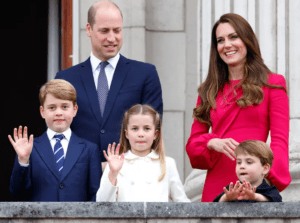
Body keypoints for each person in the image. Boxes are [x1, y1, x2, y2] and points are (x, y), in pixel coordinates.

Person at [186, 13, 291, 202]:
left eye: (233, 37)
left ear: (247, 40)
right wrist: (212, 141)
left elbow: (279, 141)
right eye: (220, 40)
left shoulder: (273, 84)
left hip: (255, 185)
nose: (227, 45)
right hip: (217, 188)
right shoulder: (208, 90)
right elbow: (194, 147)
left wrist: (266, 182)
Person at [55, 1, 163, 168]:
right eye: (104, 31)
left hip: (130, 178)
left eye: (117, 30)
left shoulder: (145, 74)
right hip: (79, 179)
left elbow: (152, 128)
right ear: (89, 30)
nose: (112, 38)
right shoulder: (66, 79)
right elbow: (58, 132)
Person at [8, 79, 102, 201]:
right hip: (40, 219)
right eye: (52, 107)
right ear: (42, 112)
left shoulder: (89, 149)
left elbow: (96, 195)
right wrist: (23, 160)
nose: (58, 112)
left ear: (74, 110)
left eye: (64, 107)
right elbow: (17, 193)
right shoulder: (30, 148)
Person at [96, 104, 190, 202]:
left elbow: (182, 202)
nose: (141, 134)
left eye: (147, 128)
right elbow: (102, 203)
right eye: (135, 128)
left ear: (155, 134)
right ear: (126, 133)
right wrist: (113, 173)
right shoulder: (116, 163)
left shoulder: (168, 163)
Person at [213, 140, 282, 202]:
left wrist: (255, 196)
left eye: (249, 162)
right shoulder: (232, 190)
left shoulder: (270, 191)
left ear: (265, 168)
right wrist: (226, 198)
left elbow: (278, 202)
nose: (242, 166)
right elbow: (213, 207)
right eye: (239, 162)